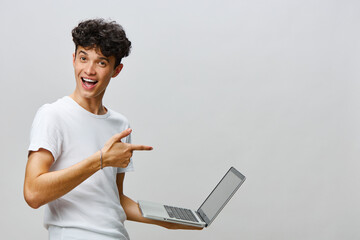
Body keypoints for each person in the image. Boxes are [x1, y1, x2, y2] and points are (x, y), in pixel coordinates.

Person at [24, 18, 200, 240]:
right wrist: (100, 160)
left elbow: (113, 200)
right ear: (73, 59)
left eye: (102, 62)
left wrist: (172, 221)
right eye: (83, 58)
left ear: (116, 70)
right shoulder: (53, 115)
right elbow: (33, 193)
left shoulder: (120, 125)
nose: (89, 70)